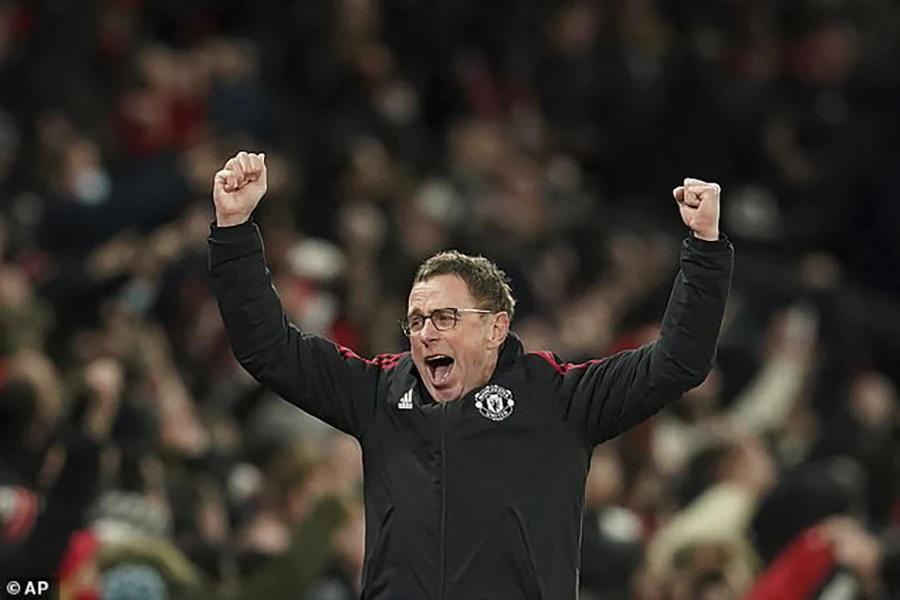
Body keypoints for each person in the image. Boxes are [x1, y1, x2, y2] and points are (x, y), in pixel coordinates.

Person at [207, 151, 734, 599]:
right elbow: (269, 350)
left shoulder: (560, 399)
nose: (425, 334)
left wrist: (705, 250)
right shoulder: (378, 393)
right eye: (416, 320)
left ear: (495, 328)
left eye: (444, 318)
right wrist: (234, 231)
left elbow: (677, 362)